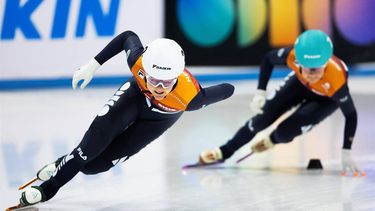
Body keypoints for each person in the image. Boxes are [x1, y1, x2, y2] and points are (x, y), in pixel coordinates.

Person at [17, 30, 234, 206]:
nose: (158, 88)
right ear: (144, 70)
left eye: (166, 82)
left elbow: (228, 88)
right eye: (153, 79)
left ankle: (64, 161)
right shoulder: (137, 61)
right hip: (133, 97)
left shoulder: (191, 98)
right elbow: (126, 36)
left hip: (157, 120)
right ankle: (48, 188)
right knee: (89, 147)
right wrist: (92, 66)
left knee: (94, 166)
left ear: (177, 76)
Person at [198, 30, 365, 176]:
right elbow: (267, 60)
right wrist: (260, 92)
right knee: (260, 120)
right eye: (308, 68)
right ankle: (224, 151)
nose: (312, 74)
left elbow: (351, 114)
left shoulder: (337, 78)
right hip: (298, 85)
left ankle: (272, 140)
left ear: (326, 63)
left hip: (325, 99)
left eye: (317, 69)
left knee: (286, 133)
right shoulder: (292, 56)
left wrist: (346, 150)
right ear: (299, 62)